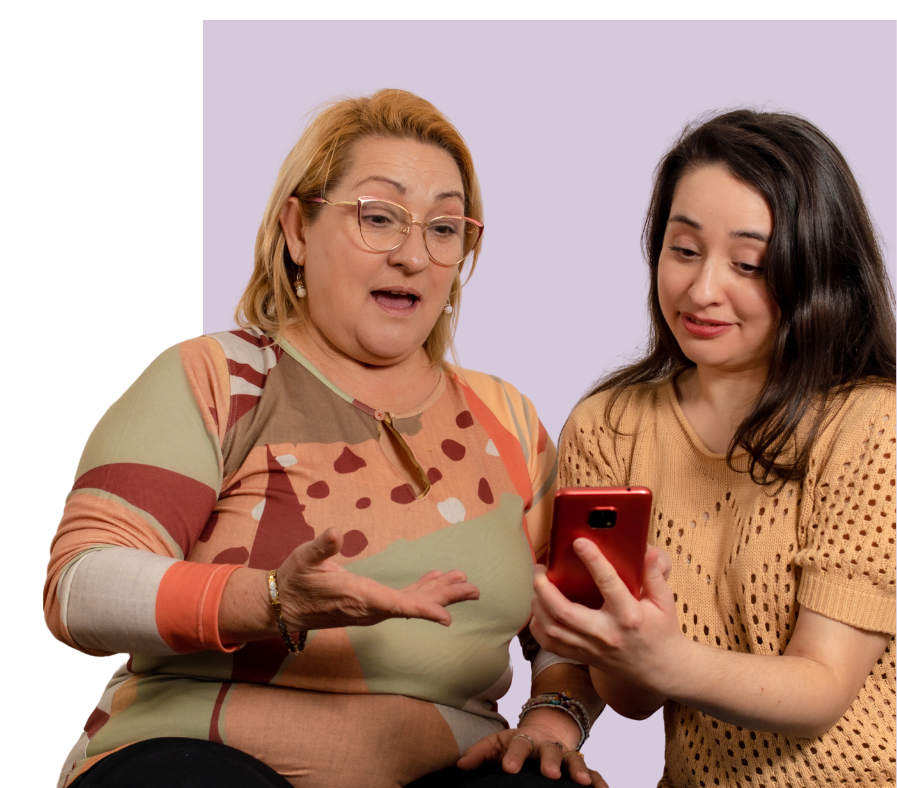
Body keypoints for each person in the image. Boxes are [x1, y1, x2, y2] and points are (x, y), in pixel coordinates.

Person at [45, 89, 606, 788]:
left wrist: (552, 720)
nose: (413, 255)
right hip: (197, 755)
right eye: (379, 217)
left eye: (443, 227)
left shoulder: (509, 418)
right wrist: (272, 599)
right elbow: (80, 588)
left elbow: (572, 629)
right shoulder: (216, 377)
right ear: (297, 231)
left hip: (450, 767)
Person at [531, 109, 896, 786]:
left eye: (748, 264)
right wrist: (609, 641)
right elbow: (632, 699)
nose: (701, 291)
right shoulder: (608, 425)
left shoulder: (873, 423)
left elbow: (821, 687)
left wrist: (666, 658)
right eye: (683, 250)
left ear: (817, 270)